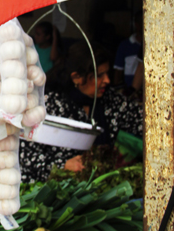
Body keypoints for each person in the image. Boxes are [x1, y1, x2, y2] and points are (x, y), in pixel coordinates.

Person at [19, 41, 143, 183]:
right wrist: (62, 166)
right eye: (99, 75)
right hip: (58, 190)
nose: (107, 80)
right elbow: (26, 159)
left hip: (99, 187)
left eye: (107, 73)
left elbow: (144, 122)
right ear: (76, 77)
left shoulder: (112, 101)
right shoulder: (49, 105)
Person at [114, 10, 143, 88]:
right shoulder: (125, 45)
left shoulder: (152, 46)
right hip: (129, 90)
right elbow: (118, 71)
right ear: (136, 24)